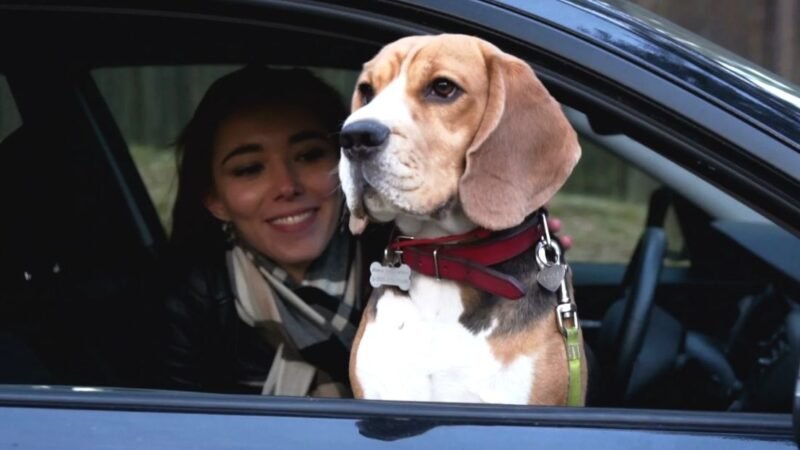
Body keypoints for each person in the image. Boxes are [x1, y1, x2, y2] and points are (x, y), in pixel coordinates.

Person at [163, 64, 571, 397]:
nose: (287, 186)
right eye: (249, 169)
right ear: (215, 199)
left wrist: (519, 262)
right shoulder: (183, 300)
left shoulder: (416, 258)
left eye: (309, 155)